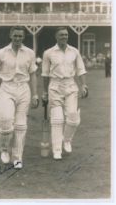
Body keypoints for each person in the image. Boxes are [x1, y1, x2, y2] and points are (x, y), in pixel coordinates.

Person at [0, 26, 39, 169]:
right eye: (15, 36)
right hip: (6, 88)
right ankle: (4, 149)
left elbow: (33, 74)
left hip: (23, 89)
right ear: (11, 36)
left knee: (21, 125)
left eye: (20, 36)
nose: (18, 39)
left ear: (24, 37)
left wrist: (35, 94)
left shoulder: (29, 53)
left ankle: (17, 157)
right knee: (5, 121)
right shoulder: (1, 53)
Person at [42, 26, 88, 160]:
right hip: (55, 86)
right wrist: (44, 92)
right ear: (56, 37)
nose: (64, 37)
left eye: (66, 35)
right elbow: (45, 74)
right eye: (61, 35)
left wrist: (84, 85)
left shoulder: (74, 51)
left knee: (73, 117)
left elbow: (81, 70)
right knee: (57, 120)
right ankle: (57, 150)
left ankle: (66, 139)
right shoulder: (48, 53)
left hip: (70, 86)